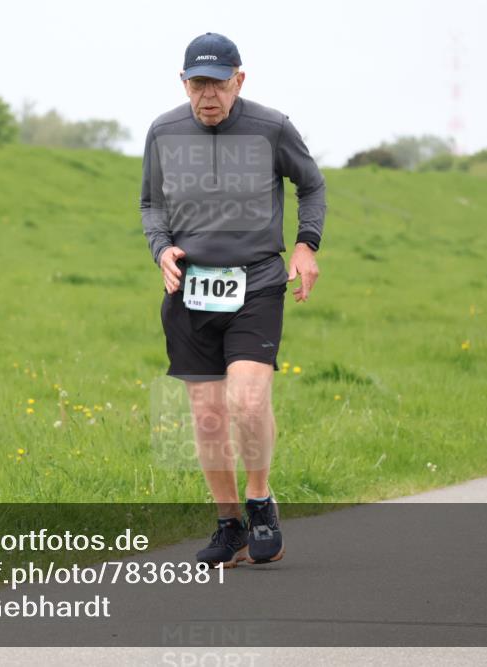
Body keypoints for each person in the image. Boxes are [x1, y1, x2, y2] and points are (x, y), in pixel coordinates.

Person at [140, 32, 326, 567]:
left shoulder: (271, 128)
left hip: (257, 284)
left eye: (218, 84)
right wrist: (161, 249)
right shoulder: (164, 131)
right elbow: (151, 203)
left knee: (246, 402)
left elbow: (311, 185)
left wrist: (306, 244)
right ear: (183, 83)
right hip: (190, 289)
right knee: (207, 415)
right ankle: (229, 525)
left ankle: (260, 500)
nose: (208, 95)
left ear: (239, 81)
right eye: (198, 84)